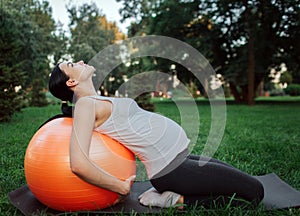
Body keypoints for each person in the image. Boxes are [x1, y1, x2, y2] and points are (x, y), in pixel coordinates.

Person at [48, 60, 264, 209]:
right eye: (71, 64)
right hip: (172, 169)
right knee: (255, 193)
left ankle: (172, 194)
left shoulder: (98, 100)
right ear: (71, 82)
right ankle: (173, 201)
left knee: (242, 180)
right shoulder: (85, 105)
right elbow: (78, 163)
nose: (79, 62)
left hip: (181, 159)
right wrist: (120, 187)